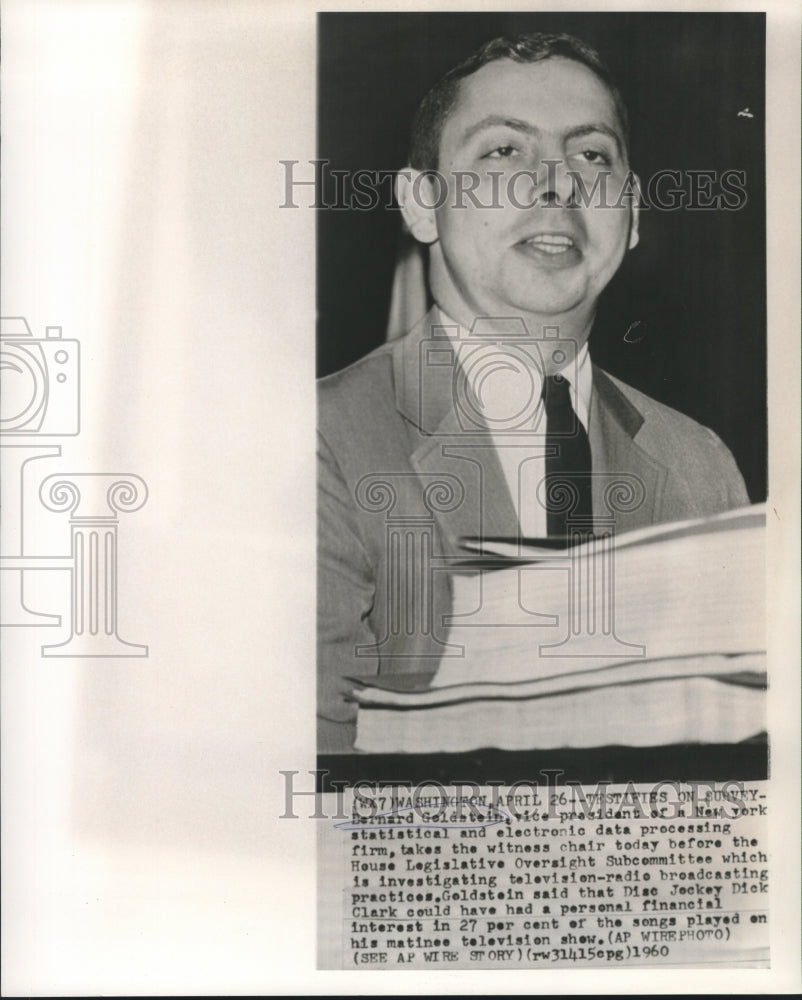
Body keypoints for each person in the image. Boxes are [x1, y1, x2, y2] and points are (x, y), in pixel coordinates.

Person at [317, 32, 749, 752]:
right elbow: (312, 771)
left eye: (592, 155)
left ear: (632, 213)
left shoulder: (702, 467)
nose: (557, 184)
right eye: (503, 151)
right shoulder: (322, 441)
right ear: (421, 203)